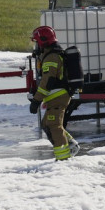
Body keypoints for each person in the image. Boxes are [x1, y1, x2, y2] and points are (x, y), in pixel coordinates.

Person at [29, 25, 76, 161]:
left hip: (58, 96)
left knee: (54, 125)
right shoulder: (50, 55)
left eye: (37, 42)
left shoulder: (52, 57)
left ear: (43, 42)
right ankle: (72, 145)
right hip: (56, 96)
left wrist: (36, 100)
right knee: (46, 124)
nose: (36, 46)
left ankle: (63, 159)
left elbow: (47, 82)